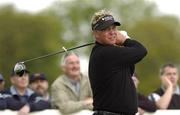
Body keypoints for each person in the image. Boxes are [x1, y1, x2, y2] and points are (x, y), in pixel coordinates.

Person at [89, 9, 147, 115]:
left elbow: (129, 70)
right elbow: (141, 50)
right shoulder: (106, 53)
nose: (112, 32)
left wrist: (122, 44)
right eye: (106, 29)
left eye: (114, 28)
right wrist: (125, 40)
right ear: (96, 34)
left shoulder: (108, 52)